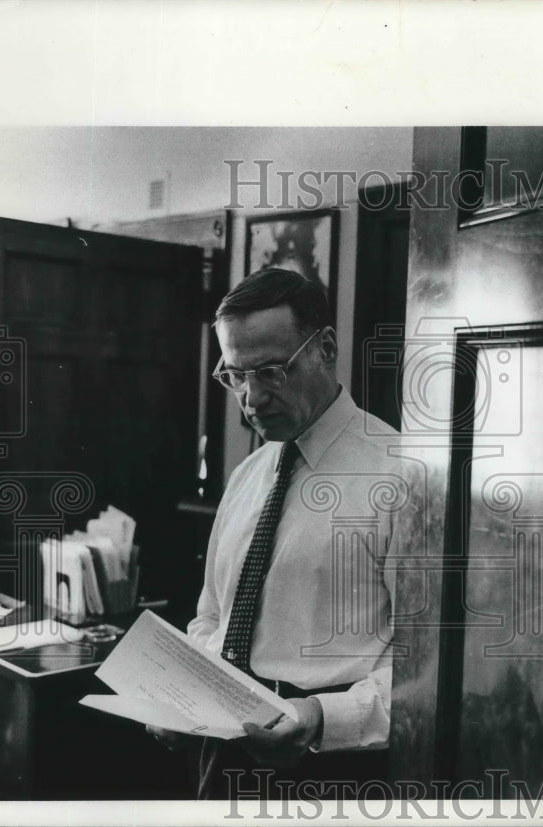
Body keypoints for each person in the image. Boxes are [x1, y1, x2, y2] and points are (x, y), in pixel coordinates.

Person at [148, 267, 410, 800]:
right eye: (235, 375)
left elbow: (428, 668)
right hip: (221, 753)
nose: (251, 398)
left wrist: (321, 716)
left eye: (271, 371)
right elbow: (213, 616)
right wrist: (187, 695)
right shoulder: (248, 476)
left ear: (326, 348)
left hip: (331, 768)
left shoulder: (401, 474)